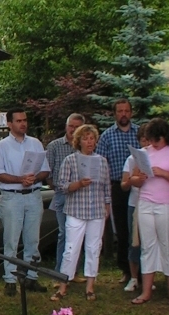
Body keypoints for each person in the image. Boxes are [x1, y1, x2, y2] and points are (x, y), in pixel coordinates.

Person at [0, 107, 50, 297]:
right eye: (18, 121)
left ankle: (31, 277)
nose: (23, 123)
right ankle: (10, 280)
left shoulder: (35, 143)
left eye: (25, 120)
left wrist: (34, 178)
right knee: (11, 240)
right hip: (12, 197)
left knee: (32, 239)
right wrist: (20, 180)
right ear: (10, 124)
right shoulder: (2, 146)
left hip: (33, 195)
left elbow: (45, 170)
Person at [51, 125, 110, 302]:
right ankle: (63, 285)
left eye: (92, 138)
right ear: (79, 141)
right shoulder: (70, 160)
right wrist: (78, 184)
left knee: (93, 248)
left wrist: (108, 206)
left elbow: (107, 187)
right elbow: (62, 185)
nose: (89, 142)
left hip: (96, 210)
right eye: (85, 138)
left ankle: (90, 286)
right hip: (76, 209)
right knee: (71, 249)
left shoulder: (101, 161)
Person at [129, 118, 169, 305]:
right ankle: (146, 291)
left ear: (164, 137)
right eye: (150, 140)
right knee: (148, 246)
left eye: (156, 140)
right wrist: (140, 178)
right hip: (146, 202)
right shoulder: (143, 153)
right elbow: (133, 179)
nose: (153, 144)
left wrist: (164, 173)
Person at [96, 99, 140, 285]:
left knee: (138, 229)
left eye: (126, 111)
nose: (123, 114)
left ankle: (142, 270)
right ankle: (125, 270)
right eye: (120, 111)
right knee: (122, 231)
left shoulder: (139, 133)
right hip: (117, 187)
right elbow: (100, 163)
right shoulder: (107, 136)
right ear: (115, 113)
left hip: (139, 187)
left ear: (131, 113)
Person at [45, 113, 86, 282]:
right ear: (66, 126)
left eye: (77, 127)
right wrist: (58, 186)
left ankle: (74, 272)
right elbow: (47, 173)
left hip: (81, 195)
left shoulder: (84, 148)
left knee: (78, 234)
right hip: (62, 195)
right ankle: (59, 273)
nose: (73, 129)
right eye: (71, 126)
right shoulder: (54, 146)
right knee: (63, 233)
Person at [120, 124, 148, 292]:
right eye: (143, 140)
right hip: (135, 204)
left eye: (148, 140)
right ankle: (134, 277)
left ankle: (147, 277)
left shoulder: (156, 158)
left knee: (148, 242)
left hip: (151, 202)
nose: (145, 143)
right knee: (134, 241)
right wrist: (132, 180)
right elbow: (124, 184)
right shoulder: (131, 159)